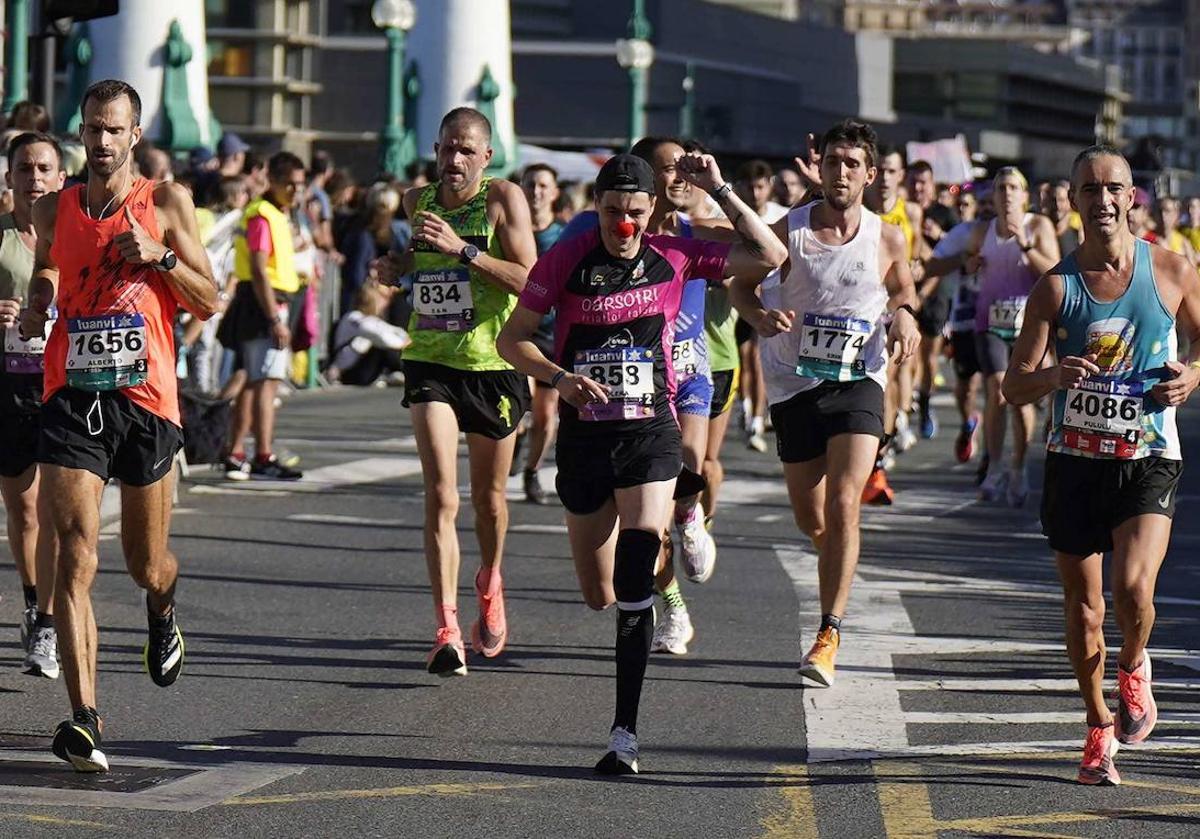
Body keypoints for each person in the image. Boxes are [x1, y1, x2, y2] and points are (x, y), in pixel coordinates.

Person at [497, 150, 785, 774]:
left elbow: (769, 255)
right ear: (594, 209)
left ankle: (623, 734)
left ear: (651, 209)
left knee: (633, 568)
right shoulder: (566, 260)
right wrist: (558, 378)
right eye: (609, 213)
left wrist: (721, 190)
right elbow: (511, 338)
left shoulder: (676, 254)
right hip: (584, 439)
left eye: (633, 213)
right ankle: (644, 598)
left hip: (650, 431)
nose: (621, 226)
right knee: (599, 593)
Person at [19, 79, 217, 772]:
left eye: (113, 131)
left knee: (144, 562)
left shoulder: (165, 202)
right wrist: (39, 296)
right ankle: (85, 717)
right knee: (75, 550)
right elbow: (49, 262)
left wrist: (159, 256)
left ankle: (162, 608)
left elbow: (210, 297)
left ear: (134, 135)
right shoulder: (53, 204)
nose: (100, 143)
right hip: (72, 392)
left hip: (147, 399)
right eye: (91, 130)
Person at [1002, 144, 1200, 786]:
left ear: (1132, 197)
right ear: (1073, 201)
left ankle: (1134, 665)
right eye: (1089, 189)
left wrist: (1191, 377)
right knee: (1085, 609)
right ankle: (1096, 729)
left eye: (1113, 187)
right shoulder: (1055, 288)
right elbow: (1013, 386)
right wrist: (1053, 375)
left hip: (1147, 455)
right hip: (1074, 463)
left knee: (1134, 591)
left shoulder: (1172, 270)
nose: (1103, 199)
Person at [735, 118, 919, 688]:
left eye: (851, 164)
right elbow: (739, 285)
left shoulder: (886, 236)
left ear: (868, 175)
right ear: (820, 168)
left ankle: (828, 633)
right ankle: (840, 558)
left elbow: (904, 287)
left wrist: (906, 315)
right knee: (811, 518)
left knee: (845, 502)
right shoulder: (784, 232)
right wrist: (759, 314)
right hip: (793, 385)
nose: (840, 172)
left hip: (858, 381)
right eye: (832, 161)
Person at [374, 107, 536, 676]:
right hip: (431, 359)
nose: (455, 160)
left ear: (486, 156)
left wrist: (463, 250)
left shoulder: (503, 200)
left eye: (466, 150)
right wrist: (395, 267)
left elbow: (530, 279)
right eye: (447, 148)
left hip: (493, 362)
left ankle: (490, 580)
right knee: (442, 495)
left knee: (489, 501)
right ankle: (446, 629)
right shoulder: (419, 201)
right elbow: (420, 269)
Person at [0, 132, 66, 678]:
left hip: (63, 383)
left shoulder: (75, 237)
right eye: (25, 168)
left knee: (53, 508)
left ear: (61, 177)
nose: (35, 177)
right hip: (10, 383)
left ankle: (46, 623)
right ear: (10, 178)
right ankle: (32, 601)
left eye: (45, 167)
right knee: (22, 508)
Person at [966, 167, 1060, 507]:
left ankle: (1018, 466)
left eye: (1013, 188)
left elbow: (1055, 270)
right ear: (993, 196)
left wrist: (1026, 247)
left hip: (1029, 326)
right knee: (997, 390)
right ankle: (994, 465)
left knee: (1020, 400)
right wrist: (971, 264)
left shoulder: (1039, 226)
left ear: (1025, 195)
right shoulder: (982, 230)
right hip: (989, 322)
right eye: (1001, 188)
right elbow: (965, 263)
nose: (1006, 194)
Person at [218, 152, 308, 480]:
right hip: (263, 305)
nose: (296, 191)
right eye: (290, 185)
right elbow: (258, 268)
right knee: (264, 383)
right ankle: (260, 455)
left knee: (254, 381)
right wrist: (274, 317)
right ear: (274, 181)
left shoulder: (275, 214)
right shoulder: (262, 214)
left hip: (266, 302)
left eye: (300, 185)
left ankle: (238, 451)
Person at [862, 144, 923, 503]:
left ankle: (891, 429)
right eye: (880, 170)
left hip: (900, 305)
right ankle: (881, 442)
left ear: (901, 177)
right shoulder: (863, 209)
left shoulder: (910, 212)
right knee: (880, 379)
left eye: (892, 172)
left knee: (897, 373)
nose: (885, 178)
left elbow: (918, 257)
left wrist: (917, 270)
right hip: (867, 305)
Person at [517, 163, 566, 504]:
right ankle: (517, 430)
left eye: (543, 185)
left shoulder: (565, 234)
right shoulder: (508, 230)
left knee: (547, 415)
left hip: (552, 331)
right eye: (531, 184)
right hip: (516, 330)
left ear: (555, 192)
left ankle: (532, 470)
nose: (537, 191)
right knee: (520, 402)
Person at [925, 190, 985, 464]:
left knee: (998, 387)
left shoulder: (1019, 231)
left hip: (1003, 323)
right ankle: (969, 421)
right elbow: (933, 265)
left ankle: (993, 456)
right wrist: (961, 259)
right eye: (979, 204)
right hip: (965, 318)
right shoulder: (962, 233)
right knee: (966, 387)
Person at [733, 159, 786, 453]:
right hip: (737, 297)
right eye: (750, 187)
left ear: (770, 187)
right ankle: (746, 404)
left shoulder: (781, 217)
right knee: (742, 357)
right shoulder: (734, 214)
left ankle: (756, 417)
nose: (755, 193)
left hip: (768, 297)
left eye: (760, 187)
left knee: (756, 357)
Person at [326, 280, 410, 385]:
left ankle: (395, 373)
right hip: (347, 372)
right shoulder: (353, 318)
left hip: (356, 368)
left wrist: (407, 339)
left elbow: (391, 330)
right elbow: (380, 336)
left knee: (380, 339)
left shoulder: (369, 320)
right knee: (373, 341)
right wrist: (404, 343)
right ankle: (402, 372)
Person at [1153, 196, 1197, 265]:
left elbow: (1192, 272)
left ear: (1176, 215)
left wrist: (1169, 253)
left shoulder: (1184, 243)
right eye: (1160, 211)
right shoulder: (1149, 238)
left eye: (1167, 211)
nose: (1163, 215)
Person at [1045, 179, 1081, 257]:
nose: (1057, 205)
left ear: (1070, 202)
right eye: (1053, 200)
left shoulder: (1079, 230)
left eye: (1061, 200)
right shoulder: (1039, 229)